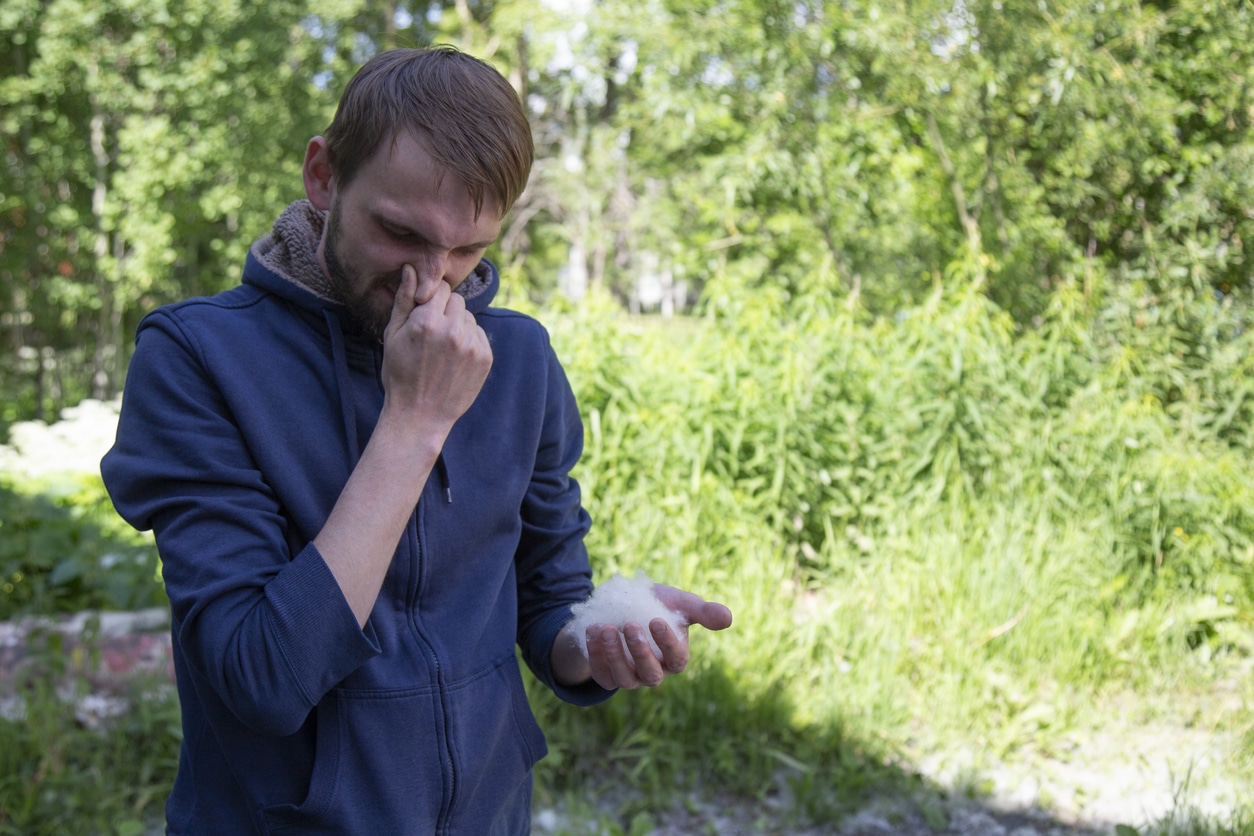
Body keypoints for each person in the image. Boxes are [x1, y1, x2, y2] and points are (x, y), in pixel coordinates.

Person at [101, 46, 732, 834]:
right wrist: (415, 422)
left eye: (470, 250)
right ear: (324, 176)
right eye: (401, 234)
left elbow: (547, 605)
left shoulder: (520, 359)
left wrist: (595, 640)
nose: (432, 283)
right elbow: (259, 677)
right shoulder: (197, 357)